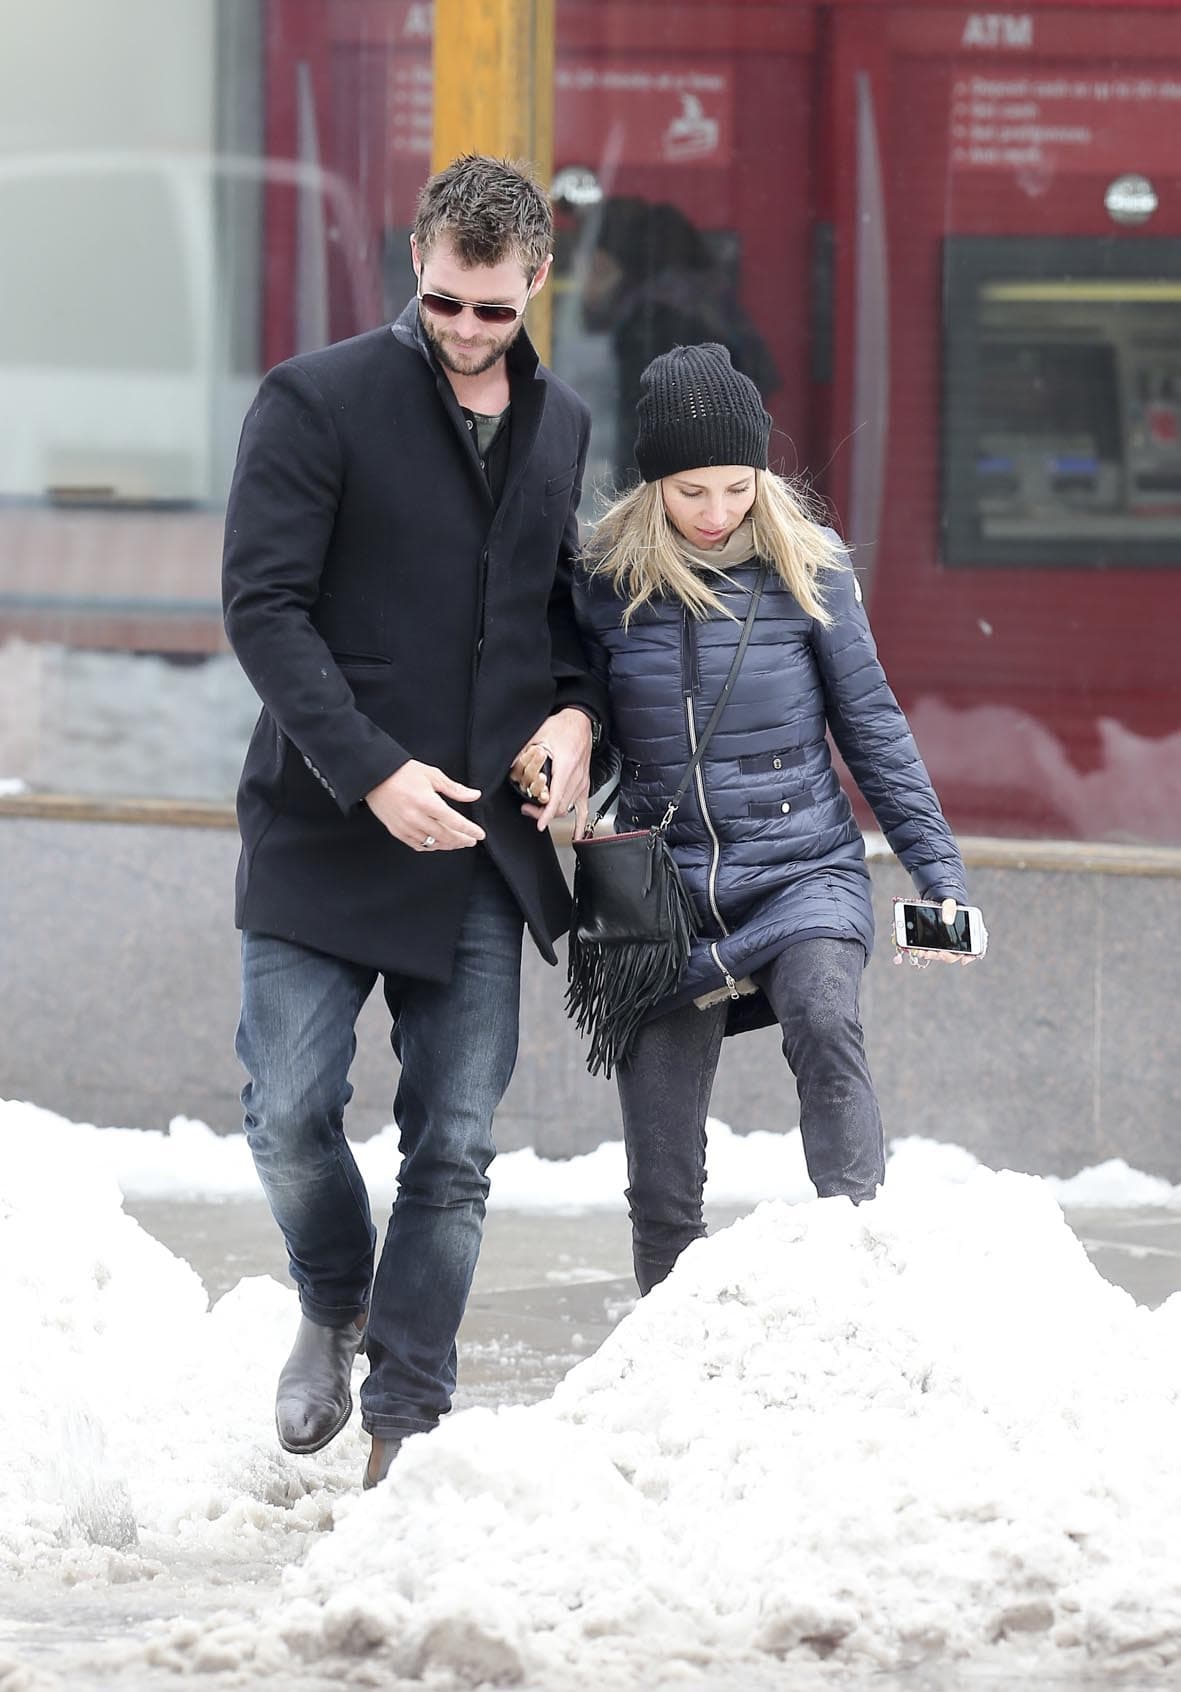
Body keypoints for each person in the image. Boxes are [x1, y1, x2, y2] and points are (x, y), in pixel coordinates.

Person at [221, 154, 605, 1487]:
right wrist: (373, 770)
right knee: (286, 1113)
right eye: (443, 301)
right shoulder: (314, 399)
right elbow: (262, 608)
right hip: (326, 823)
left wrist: (574, 723)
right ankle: (333, 1296)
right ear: (416, 262)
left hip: (486, 848)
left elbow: (566, 628)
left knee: (454, 1146)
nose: (464, 332)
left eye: (493, 312)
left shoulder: (562, 427)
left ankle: (406, 1430)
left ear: (539, 283)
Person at [569, 343, 973, 1296]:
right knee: (661, 1171)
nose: (716, 515)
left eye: (736, 488)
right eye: (690, 491)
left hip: (802, 870)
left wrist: (939, 876)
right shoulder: (603, 585)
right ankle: (666, 1338)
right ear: (651, 484)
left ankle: (859, 1270)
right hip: (663, 896)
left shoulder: (811, 574)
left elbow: (872, 727)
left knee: (826, 1024)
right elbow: (569, 708)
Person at [576, 196, 779, 488]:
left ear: (624, 269)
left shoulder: (652, 323)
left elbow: (644, 432)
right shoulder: (699, 300)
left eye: (597, 270)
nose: (583, 286)